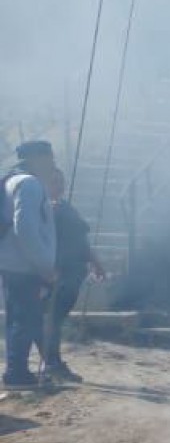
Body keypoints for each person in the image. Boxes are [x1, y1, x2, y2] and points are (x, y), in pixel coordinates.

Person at [22, 144, 106, 384]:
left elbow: (81, 240)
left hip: (73, 272)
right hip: (54, 273)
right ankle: (52, 363)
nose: (58, 185)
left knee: (54, 319)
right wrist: (45, 269)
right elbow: (36, 241)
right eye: (53, 181)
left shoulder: (67, 208)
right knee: (50, 319)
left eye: (60, 181)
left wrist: (96, 262)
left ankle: (53, 362)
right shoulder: (42, 210)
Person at [0, 142, 56, 391]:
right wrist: (44, 264)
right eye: (49, 158)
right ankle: (16, 374)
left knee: (18, 319)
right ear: (37, 158)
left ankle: (16, 371)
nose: (52, 164)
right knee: (25, 320)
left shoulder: (10, 180)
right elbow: (25, 228)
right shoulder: (30, 184)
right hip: (24, 264)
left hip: (12, 262)